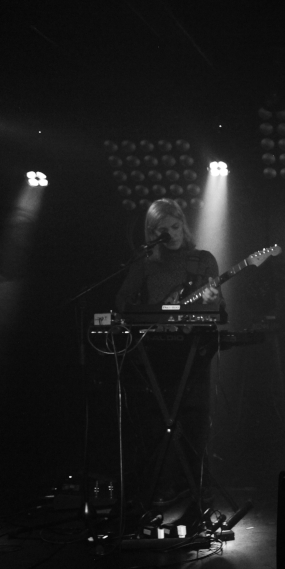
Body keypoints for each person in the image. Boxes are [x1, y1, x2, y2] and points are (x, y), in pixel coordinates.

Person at [114, 199, 222, 515]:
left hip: (192, 353)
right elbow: (122, 302)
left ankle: (198, 493)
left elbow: (217, 308)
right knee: (152, 425)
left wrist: (211, 299)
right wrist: (148, 317)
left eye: (176, 226)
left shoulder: (203, 260)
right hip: (154, 354)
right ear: (152, 233)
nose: (172, 234)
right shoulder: (145, 262)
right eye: (164, 230)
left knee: (195, 424)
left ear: (183, 225)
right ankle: (159, 488)